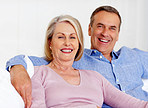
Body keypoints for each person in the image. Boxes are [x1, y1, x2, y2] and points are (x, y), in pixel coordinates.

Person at [6, 6, 148, 108]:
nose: (105, 33)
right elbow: (24, 61)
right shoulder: (45, 70)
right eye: (61, 37)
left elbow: (134, 104)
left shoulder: (98, 75)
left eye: (112, 28)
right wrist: (17, 68)